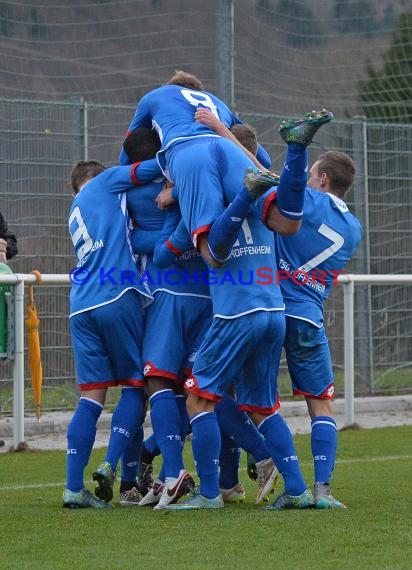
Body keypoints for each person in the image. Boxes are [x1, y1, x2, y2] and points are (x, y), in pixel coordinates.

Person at [152, 108, 333, 510]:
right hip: (273, 310)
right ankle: (299, 490)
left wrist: (176, 197)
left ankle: (211, 494)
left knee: (199, 398)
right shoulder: (264, 189)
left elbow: (211, 252)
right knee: (261, 406)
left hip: (236, 312)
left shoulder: (214, 194)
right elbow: (263, 176)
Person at [63, 159, 154, 509]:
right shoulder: (107, 184)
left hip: (80, 306)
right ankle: (111, 464)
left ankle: (74, 488)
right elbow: (147, 168)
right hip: (116, 296)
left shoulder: (75, 208)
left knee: (90, 397)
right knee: (136, 385)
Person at [274, 150, 362, 508]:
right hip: (309, 315)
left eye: (311, 175)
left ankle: (289, 483)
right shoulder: (354, 228)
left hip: (272, 307)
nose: (307, 180)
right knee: (321, 405)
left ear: (322, 179)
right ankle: (323, 491)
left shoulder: (306, 199)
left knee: (256, 403)